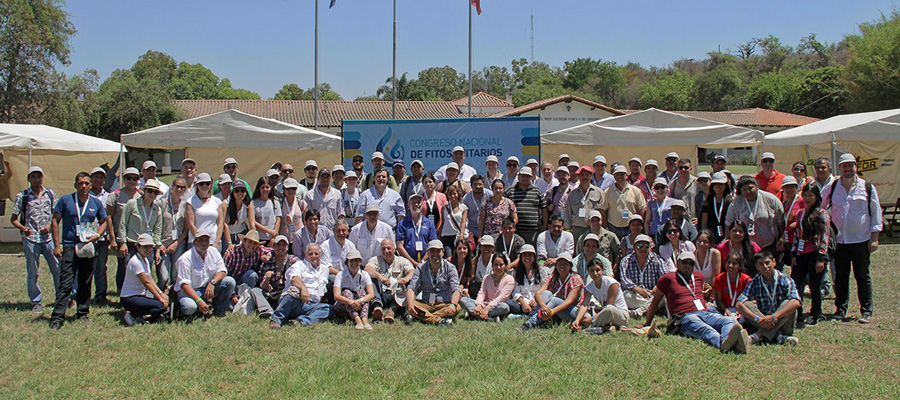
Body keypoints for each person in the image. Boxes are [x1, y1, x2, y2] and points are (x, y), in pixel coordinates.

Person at [643, 252, 749, 354]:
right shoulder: (667, 279)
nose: (687, 266)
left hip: (704, 313)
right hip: (684, 317)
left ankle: (727, 341)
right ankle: (729, 345)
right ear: (677, 263)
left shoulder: (699, 277)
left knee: (729, 320)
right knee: (707, 330)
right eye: (684, 262)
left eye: (691, 263)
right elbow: (655, 301)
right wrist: (647, 323)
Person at [822, 153, 881, 324]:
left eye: (851, 166)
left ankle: (866, 311)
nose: (848, 169)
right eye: (844, 166)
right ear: (840, 168)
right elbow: (821, 206)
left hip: (861, 240)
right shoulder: (833, 187)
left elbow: (876, 213)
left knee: (862, 276)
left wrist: (874, 238)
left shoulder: (867, 187)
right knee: (841, 276)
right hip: (839, 241)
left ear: (856, 167)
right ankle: (840, 310)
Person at [48, 172, 108, 329]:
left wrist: (97, 235)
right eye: (80, 183)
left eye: (86, 183)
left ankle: (82, 313)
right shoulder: (66, 200)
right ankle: (57, 317)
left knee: (86, 281)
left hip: (87, 247)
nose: (83, 186)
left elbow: (104, 221)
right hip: (69, 246)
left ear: (90, 185)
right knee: (66, 283)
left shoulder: (95, 203)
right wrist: (57, 244)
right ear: (75, 185)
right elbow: (55, 221)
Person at [11, 165, 60, 313]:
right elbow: (14, 218)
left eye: (39, 176)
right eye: (33, 176)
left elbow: (57, 215)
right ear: (28, 179)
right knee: (33, 271)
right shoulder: (23, 196)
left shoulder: (50, 194)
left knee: (57, 268)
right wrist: (23, 228)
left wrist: (50, 226)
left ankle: (62, 297)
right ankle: (36, 301)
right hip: (31, 239)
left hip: (48, 239)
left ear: (42, 177)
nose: (37, 179)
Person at [734, 251, 802, 346]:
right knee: (746, 304)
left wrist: (774, 317)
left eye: (767, 263)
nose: (765, 267)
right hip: (761, 320)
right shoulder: (754, 282)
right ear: (757, 267)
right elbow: (739, 304)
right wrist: (758, 319)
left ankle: (758, 336)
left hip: (782, 322)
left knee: (789, 303)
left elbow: (796, 302)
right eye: (761, 264)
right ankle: (779, 337)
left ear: (774, 262)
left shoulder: (785, 279)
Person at [787, 184, 830, 326]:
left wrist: (821, 257)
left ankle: (815, 314)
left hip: (815, 253)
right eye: (805, 195)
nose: (808, 198)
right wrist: (793, 254)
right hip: (800, 254)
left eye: (811, 195)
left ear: (817, 197)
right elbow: (797, 235)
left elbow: (824, 237)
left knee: (815, 285)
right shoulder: (800, 213)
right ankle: (797, 313)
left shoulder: (822, 213)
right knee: (796, 283)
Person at [268, 243, 333, 328]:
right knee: (294, 291)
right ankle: (276, 319)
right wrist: (303, 289)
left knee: (329, 309)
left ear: (320, 255)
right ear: (306, 255)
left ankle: (300, 321)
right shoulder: (298, 265)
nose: (313, 256)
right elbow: (294, 278)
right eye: (310, 254)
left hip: (311, 305)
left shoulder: (324, 269)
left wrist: (320, 298)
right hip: (297, 302)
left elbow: (322, 286)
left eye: (316, 254)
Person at [516, 252, 584, 332]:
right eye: (560, 264)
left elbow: (568, 302)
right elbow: (538, 293)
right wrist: (544, 307)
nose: (562, 266)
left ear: (570, 267)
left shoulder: (576, 279)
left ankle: (529, 323)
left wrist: (550, 312)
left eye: (565, 264)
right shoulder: (553, 277)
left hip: (573, 312)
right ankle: (540, 318)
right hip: (554, 311)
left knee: (554, 300)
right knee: (546, 294)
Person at [175, 230, 235, 317]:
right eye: (200, 240)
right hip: (191, 290)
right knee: (189, 307)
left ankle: (219, 311)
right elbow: (184, 284)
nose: (204, 243)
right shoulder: (185, 259)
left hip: (207, 288)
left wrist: (212, 283)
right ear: (195, 242)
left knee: (230, 281)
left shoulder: (214, 252)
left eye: (206, 240)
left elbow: (223, 271)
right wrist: (199, 300)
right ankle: (185, 308)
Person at [118, 178, 164, 287]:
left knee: (145, 272)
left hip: (147, 246)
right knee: (125, 270)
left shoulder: (157, 209)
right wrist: (123, 242)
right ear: (144, 191)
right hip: (131, 243)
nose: (152, 194)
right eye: (149, 191)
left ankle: (142, 294)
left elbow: (157, 230)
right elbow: (123, 223)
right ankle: (123, 295)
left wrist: (157, 248)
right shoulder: (132, 204)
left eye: (155, 192)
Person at [405, 240, 461, 326]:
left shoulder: (450, 268)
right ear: (428, 253)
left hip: (443, 304)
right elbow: (411, 288)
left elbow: (456, 289)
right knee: (410, 303)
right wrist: (410, 305)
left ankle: (422, 316)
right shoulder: (420, 268)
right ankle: (439, 321)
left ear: (443, 252)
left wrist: (453, 304)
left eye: (438, 251)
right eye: (432, 251)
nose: (435, 254)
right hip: (426, 304)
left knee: (457, 307)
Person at [725, 175, 784, 257]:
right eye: (744, 190)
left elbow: (780, 222)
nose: (748, 192)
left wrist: (781, 240)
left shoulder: (771, 200)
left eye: (750, 188)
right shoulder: (736, 203)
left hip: (769, 245)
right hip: (746, 246)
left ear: (757, 187)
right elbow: (728, 223)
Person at [106, 167, 142, 294]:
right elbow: (109, 217)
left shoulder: (142, 196)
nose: (131, 181)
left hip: (137, 238)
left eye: (135, 178)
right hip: (122, 237)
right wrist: (112, 239)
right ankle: (122, 291)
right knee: (124, 266)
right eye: (128, 178)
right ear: (123, 179)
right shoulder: (115, 195)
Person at [121, 233, 169, 325]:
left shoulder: (145, 260)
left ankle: (138, 314)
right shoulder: (136, 262)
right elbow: (146, 283)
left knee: (160, 305)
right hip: (130, 298)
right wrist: (160, 298)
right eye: (145, 247)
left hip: (139, 295)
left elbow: (150, 279)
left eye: (150, 247)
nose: (148, 250)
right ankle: (132, 314)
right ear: (138, 247)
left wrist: (161, 293)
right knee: (160, 306)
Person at [573, 258, 629, 333]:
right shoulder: (589, 287)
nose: (595, 273)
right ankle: (607, 327)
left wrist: (592, 318)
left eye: (598, 270)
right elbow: (584, 304)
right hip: (604, 314)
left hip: (620, 315)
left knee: (609, 309)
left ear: (603, 271)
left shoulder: (612, 283)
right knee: (578, 312)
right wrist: (577, 319)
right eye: (592, 271)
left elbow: (610, 305)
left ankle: (589, 328)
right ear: (588, 272)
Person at [364, 238, 414, 323]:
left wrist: (405, 279)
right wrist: (380, 277)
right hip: (381, 294)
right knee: (371, 280)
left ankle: (391, 311)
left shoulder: (402, 261)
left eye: (388, 248)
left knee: (408, 287)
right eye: (383, 249)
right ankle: (377, 307)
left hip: (396, 295)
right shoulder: (376, 260)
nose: (386, 251)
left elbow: (412, 271)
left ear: (394, 249)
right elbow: (367, 269)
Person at [619, 234, 668, 318]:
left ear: (650, 247)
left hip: (652, 293)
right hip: (635, 294)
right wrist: (637, 289)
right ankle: (653, 308)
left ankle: (638, 312)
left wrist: (657, 287)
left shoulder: (657, 259)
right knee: (625, 295)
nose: (643, 249)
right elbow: (624, 278)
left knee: (663, 295)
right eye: (640, 246)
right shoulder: (626, 260)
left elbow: (665, 277)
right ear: (634, 248)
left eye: (646, 246)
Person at [250, 235, 298, 319]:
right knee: (255, 290)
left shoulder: (293, 261)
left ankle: (284, 310)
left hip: (287, 294)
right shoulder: (267, 262)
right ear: (273, 247)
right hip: (272, 294)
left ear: (287, 248)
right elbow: (264, 288)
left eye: (283, 245)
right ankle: (268, 310)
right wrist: (267, 279)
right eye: (278, 245)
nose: (281, 248)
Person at [460, 253, 514, 321]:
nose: (498, 267)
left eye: (501, 265)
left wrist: (488, 308)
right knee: (463, 300)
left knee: (504, 307)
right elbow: (482, 293)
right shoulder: (487, 277)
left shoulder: (510, 279)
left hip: (497, 306)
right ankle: (490, 318)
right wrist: (479, 305)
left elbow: (501, 297)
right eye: (496, 264)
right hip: (484, 304)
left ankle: (475, 315)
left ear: (505, 265)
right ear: (492, 265)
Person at [600, 165, 648, 240]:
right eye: (617, 174)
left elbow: (643, 208)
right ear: (614, 176)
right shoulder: (608, 192)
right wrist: (606, 227)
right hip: (614, 228)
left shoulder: (635, 190)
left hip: (631, 229)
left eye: (622, 174)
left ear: (626, 176)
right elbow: (602, 210)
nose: (619, 177)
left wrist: (640, 225)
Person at [333, 249, 375, 330]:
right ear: (347, 262)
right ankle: (357, 320)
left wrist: (359, 301)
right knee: (346, 292)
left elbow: (371, 294)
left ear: (360, 262)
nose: (354, 263)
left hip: (359, 305)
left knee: (362, 293)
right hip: (344, 307)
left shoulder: (365, 275)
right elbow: (336, 296)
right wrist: (351, 302)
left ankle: (364, 319)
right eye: (351, 261)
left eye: (356, 261)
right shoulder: (340, 275)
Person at [505, 166, 548, 245]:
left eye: (527, 176)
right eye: (523, 176)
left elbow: (544, 208)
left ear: (531, 178)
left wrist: (544, 225)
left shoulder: (537, 191)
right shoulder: (510, 191)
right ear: (518, 176)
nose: (525, 178)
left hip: (532, 232)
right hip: (515, 231)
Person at [88, 167, 112, 302]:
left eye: (101, 177)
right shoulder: (85, 195)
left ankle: (101, 295)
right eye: (95, 177)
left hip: (102, 237)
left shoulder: (108, 196)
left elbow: (109, 217)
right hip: (86, 236)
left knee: (101, 267)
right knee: (84, 267)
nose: (98, 180)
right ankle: (80, 294)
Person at [185, 172, 226, 252]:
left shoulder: (217, 201)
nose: (204, 186)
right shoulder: (190, 202)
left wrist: (217, 242)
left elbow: (220, 224)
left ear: (211, 185)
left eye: (207, 183)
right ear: (197, 185)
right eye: (201, 184)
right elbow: (190, 224)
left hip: (214, 242)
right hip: (196, 242)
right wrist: (200, 241)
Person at [395, 193, 438, 265]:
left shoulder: (429, 223)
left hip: (427, 262)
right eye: (413, 202)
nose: (416, 205)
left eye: (418, 202)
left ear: (422, 204)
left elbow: (433, 244)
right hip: (407, 263)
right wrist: (413, 262)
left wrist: (422, 261)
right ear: (408, 205)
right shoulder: (402, 224)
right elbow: (399, 246)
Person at [507, 245, 550, 316]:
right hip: (523, 302)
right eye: (525, 255)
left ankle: (520, 316)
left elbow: (544, 288)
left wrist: (535, 300)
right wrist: (523, 303)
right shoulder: (517, 272)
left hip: (537, 301)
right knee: (509, 303)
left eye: (530, 255)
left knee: (542, 305)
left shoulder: (541, 271)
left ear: (534, 257)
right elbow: (516, 292)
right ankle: (529, 314)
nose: (527, 258)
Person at [564, 165, 604, 241]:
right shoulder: (573, 194)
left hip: (593, 228)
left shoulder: (599, 192)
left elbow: (603, 211)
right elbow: (568, 213)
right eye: (582, 175)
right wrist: (567, 230)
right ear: (578, 177)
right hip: (577, 229)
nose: (584, 177)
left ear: (591, 176)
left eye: (587, 175)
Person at [320, 219, 358, 293]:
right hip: (333, 276)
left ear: (347, 232)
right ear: (334, 231)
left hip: (349, 275)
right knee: (334, 279)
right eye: (338, 230)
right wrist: (342, 275)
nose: (341, 233)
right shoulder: (325, 245)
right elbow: (327, 267)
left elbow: (355, 263)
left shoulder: (351, 245)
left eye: (343, 231)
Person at [712, 253, 752, 317]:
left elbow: (749, 300)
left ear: (740, 266)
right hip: (725, 309)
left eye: (734, 263)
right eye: (728, 262)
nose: (730, 265)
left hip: (741, 310)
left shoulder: (746, 280)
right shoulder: (720, 278)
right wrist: (725, 310)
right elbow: (718, 300)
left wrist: (741, 311)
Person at [778, 176, 804, 266]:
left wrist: (797, 223)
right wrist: (782, 240)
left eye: (791, 187)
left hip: (800, 240)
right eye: (786, 187)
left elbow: (807, 217)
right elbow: (786, 223)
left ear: (796, 187)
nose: (789, 190)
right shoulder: (785, 204)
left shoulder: (802, 201)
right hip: (789, 240)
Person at [701, 172, 733, 243]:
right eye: (716, 184)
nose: (718, 186)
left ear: (725, 186)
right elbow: (704, 222)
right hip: (712, 233)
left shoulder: (730, 201)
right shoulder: (708, 200)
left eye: (721, 184)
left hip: (727, 233)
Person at [250, 177, 281, 246]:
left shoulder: (275, 202)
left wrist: (274, 236)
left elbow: (278, 220)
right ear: (259, 188)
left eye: (267, 187)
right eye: (262, 187)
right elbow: (253, 221)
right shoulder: (253, 203)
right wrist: (268, 231)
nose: (265, 189)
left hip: (272, 238)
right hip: (258, 237)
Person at [439, 185, 469, 256]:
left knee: (459, 257)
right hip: (446, 236)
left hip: (458, 236)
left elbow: (463, 222)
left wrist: (461, 235)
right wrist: (439, 233)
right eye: (450, 194)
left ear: (458, 194)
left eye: (454, 194)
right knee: (448, 257)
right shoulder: (444, 208)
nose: (452, 196)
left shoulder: (463, 208)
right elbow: (443, 222)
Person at [224, 181, 254, 248]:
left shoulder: (248, 204)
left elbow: (252, 224)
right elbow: (224, 224)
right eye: (237, 191)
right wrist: (229, 243)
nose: (240, 193)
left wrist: (254, 238)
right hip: (228, 235)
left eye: (242, 190)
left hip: (242, 234)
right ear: (233, 193)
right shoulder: (226, 204)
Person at [669, 158, 698, 222]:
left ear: (690, 169)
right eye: (681, 168)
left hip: (693, 221)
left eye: (686, 167)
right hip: (678, 221)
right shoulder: (673, 184)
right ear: (677, 169)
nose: (683, 170)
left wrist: (699, 217)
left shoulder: (696, 182)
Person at [278, 178, 305, 245]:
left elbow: (305, 222)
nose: (291, 191)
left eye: (293, 188)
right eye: (288, 188)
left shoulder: (301, 203)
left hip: (299, 239)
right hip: (283, 240)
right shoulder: (279, 203)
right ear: (284, 189)